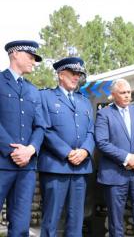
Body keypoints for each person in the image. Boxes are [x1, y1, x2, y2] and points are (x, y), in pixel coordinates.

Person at [38, 57, 95, 236]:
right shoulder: (45, 97)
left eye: (79, 74)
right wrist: (67, 152)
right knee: (51, 219)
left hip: (81, 169)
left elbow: (91, 132)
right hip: (56, 166)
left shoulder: (84, 101)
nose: (76, 77)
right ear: (61, 74)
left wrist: (85, 151)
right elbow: (44, 129)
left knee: (76, 220)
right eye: (73, 73)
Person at [95, 79, 134, 237]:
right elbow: (101, 142)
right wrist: (127, 158)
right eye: (123, 93)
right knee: (116, 224)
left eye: (129, 92)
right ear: (113, 95)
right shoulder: (104, 114)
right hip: (114, 175)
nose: (127, 95)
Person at [0, 40, 44, 236]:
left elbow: (41, 126)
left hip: (26, 166)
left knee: (20, 225)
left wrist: (31, 149)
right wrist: (13, 151)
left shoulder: (33, 90)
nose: (34, 62)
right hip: (1, 163)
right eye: (30, 56)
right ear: (15, 54)